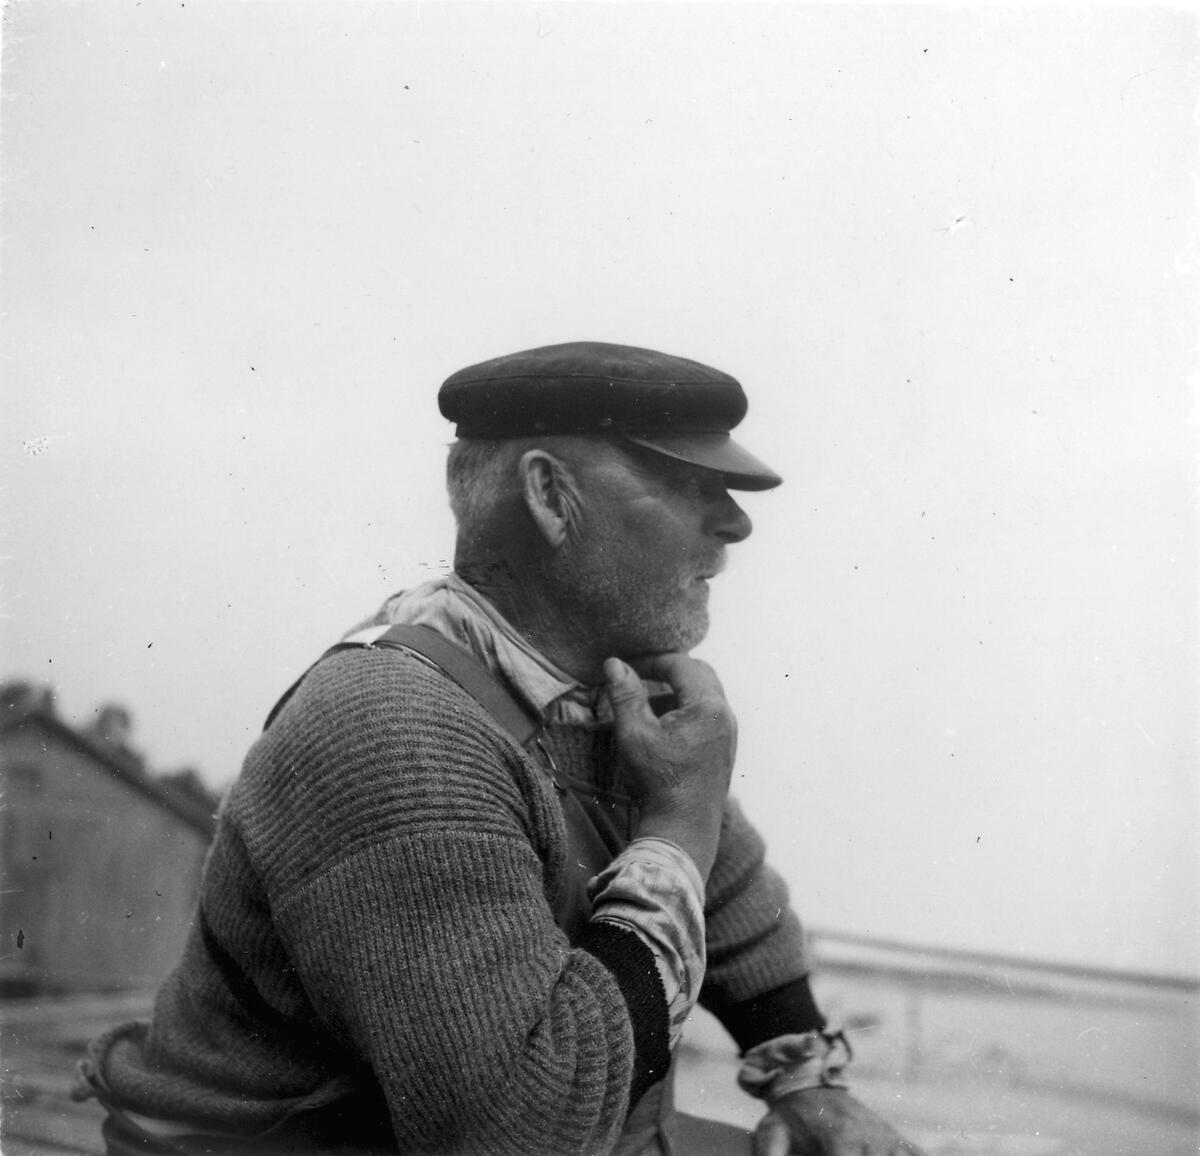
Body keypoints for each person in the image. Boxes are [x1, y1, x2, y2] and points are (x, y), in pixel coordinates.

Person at [75, 341, 924, 1155]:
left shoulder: (596, 689)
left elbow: (728, 893)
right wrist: (677, 826)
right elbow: (518, 1132)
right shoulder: (394, 730)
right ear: (551, 496)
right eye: (687, 481)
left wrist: (805, 1080)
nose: (735, 523)